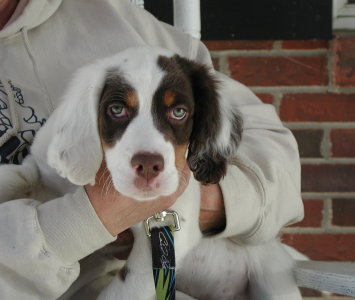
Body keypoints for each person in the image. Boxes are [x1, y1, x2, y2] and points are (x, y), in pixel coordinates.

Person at [0, 0, 304, 298]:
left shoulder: (125, 25)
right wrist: (84, 220)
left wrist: (205, 201)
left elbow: (269, 149)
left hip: (216, 269)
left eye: (177, 113)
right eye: (118, 109)